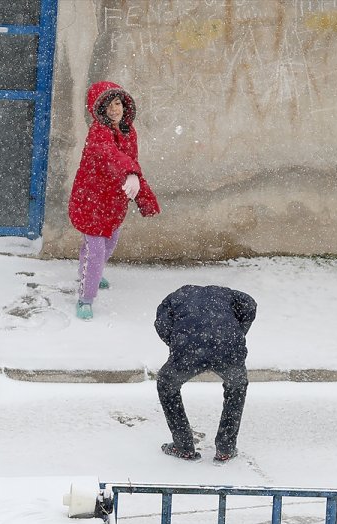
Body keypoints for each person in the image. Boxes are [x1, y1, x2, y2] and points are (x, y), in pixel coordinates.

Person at [69, 81, 160, 320]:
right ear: (99, 109)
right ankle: (85, 298)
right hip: (91, 199)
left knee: (108, 243)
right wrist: (130, 172)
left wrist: (143, 196)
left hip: (114, 200)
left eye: (117, 103)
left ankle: (90, 273)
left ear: (124, 105)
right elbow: (111, 155)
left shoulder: (129, 132)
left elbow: (132, 165)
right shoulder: (98, 132)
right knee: (96, 249)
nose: (114, 109)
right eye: (108, 105)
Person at [154, 285, 257, 462]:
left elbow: (161, 323)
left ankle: (183, 446)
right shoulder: (228, 294)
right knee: (237, 387)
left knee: (166, 384)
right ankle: (226, 448)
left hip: (189, 347)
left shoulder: (173, 298)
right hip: (228, 346)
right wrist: (236, 331)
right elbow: (250, 305)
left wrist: (179, 344)